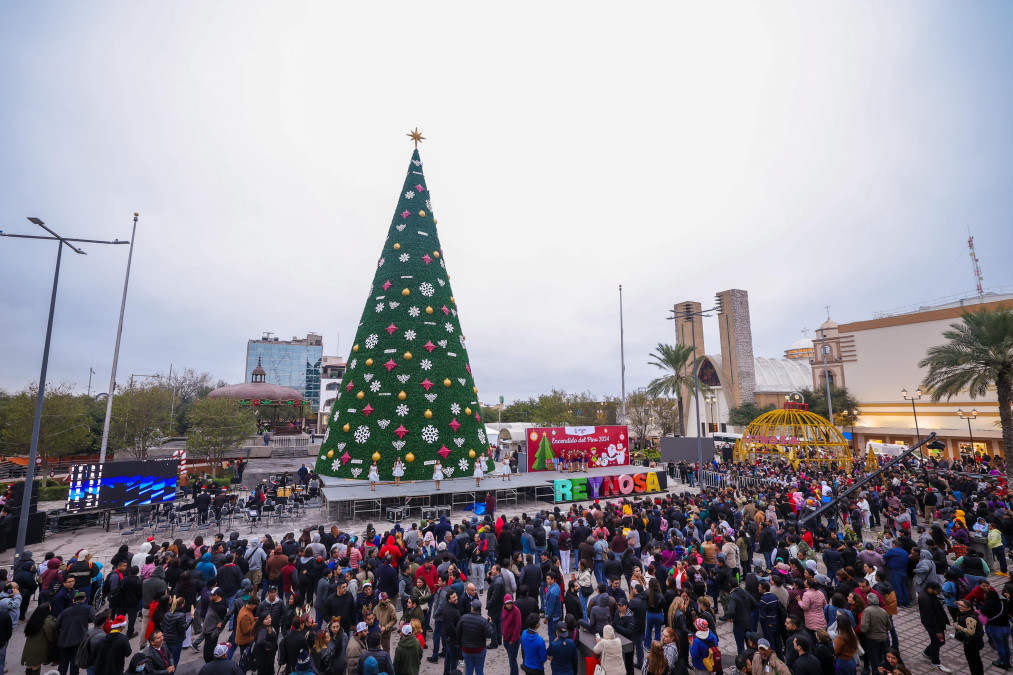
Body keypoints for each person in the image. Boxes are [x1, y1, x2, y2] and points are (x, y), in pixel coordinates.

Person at [55, 592, 94, 675]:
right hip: (78, 639)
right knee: (75, 662)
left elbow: (57, 624)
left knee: (63, 663)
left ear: (73, 601)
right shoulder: (88, 608)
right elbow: (91, 619)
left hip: (64, 640)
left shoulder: (65, 611)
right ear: (84, 599)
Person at [917, 582, 952, 673]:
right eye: (937, 591)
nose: (938, 593)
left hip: (936, 624)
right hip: (933, 625)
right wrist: (937, 630)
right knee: (937, 642)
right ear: (930, 588)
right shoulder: (925, 598)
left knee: (939, 641)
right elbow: (930, 616)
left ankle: (927, 653)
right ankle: (935, 662)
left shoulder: (929, 595)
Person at [456, 599, 493, 675]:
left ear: (472, 608)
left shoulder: (463, 618)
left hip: (466, 650)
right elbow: (490, 634)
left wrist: (460, 645)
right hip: (479, 650)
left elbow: (458, 633)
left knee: (468, 670)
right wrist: (490, 624)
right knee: (479, 670)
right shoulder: (483, 621)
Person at [21, 603, 57, 675]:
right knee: (36, 667)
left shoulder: (34, 618)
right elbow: (51, 637)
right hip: (39, 649)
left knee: (30, 666)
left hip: (29, 648)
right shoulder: (47, 621)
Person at [953, 599, 984, 675]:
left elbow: (970, 632)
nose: (960, 607)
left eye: (962, 606)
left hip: (972, 643)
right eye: (959, 605)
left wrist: (958, 627)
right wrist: (959, 603)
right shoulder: (968, 613)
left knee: (973, 662)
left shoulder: (970, 618)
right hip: (974, 641)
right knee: (977, 660)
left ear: (968, 608)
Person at [501, 594, 522, 675]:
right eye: (507, 603)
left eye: (510, 603)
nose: (509, 605)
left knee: (512, 661)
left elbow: (518, 627)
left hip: (513, 641)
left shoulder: (516, 611)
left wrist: (513, 640)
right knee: (511, 659)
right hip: (506, 639)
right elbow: (502, 622)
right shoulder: (503, 609)